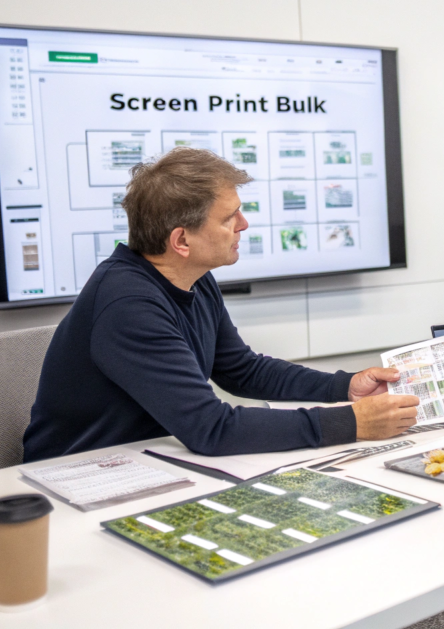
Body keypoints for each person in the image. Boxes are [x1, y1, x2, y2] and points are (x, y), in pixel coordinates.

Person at [23, 148, 418, 462]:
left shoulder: (192, 276)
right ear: (182, 241)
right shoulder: (127, 304)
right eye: (230, 218)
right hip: (79, 477)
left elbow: (241, 370)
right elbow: (210, 429)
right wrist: (350, 423)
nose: (243, 225)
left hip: (149, 460)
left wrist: (344, 386)